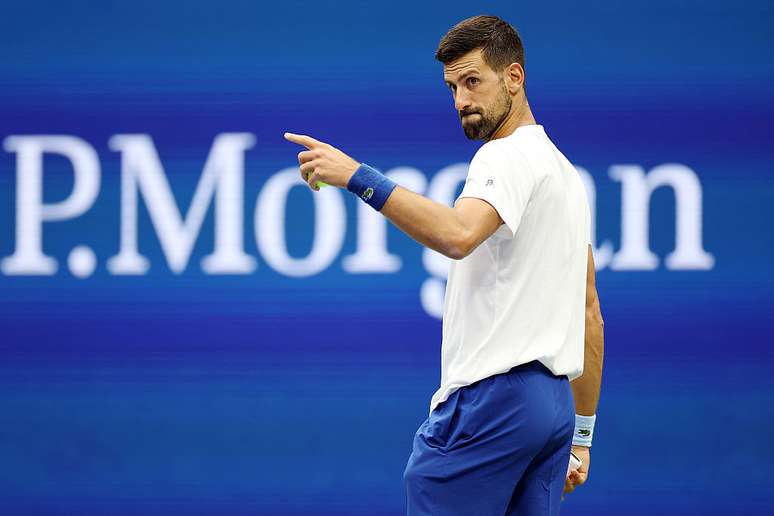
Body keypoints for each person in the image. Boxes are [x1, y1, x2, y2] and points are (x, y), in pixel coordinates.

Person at [284, 14, 604, 516]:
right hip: (552, 412)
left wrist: (355, 176)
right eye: (452, 86)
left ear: (514, 78)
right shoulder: (565, 176)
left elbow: (458, 235)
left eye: (473, 81)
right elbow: (589, 314)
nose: (461, 101)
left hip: (494, 403)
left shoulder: (506, 156)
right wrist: (580, 436)